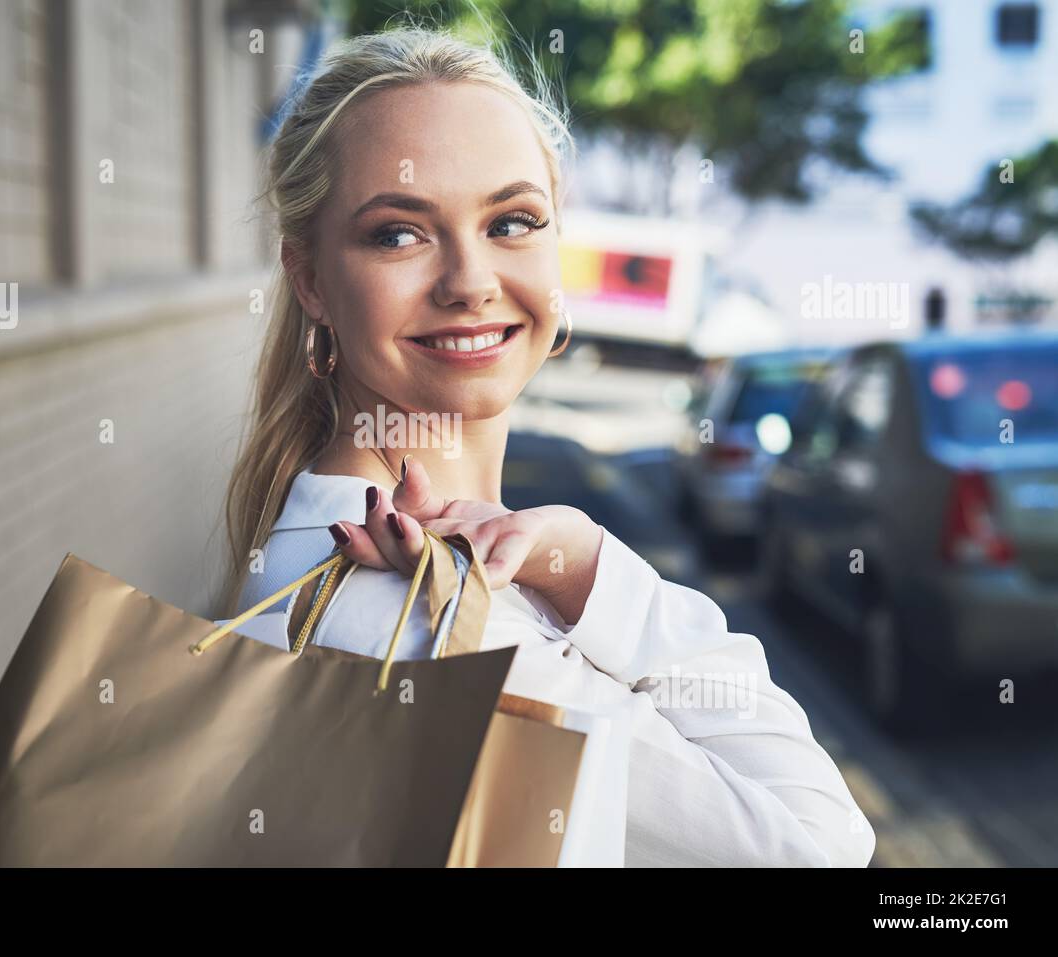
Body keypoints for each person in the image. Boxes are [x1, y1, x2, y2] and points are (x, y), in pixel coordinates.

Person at [219, 25, 876, 868]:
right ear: (309, 278)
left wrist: (556, 558)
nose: (470, 280)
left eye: (513, 220)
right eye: (398, 233)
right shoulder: (423, 627)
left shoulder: (322, 549)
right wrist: (589, 565)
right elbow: (822, 845)